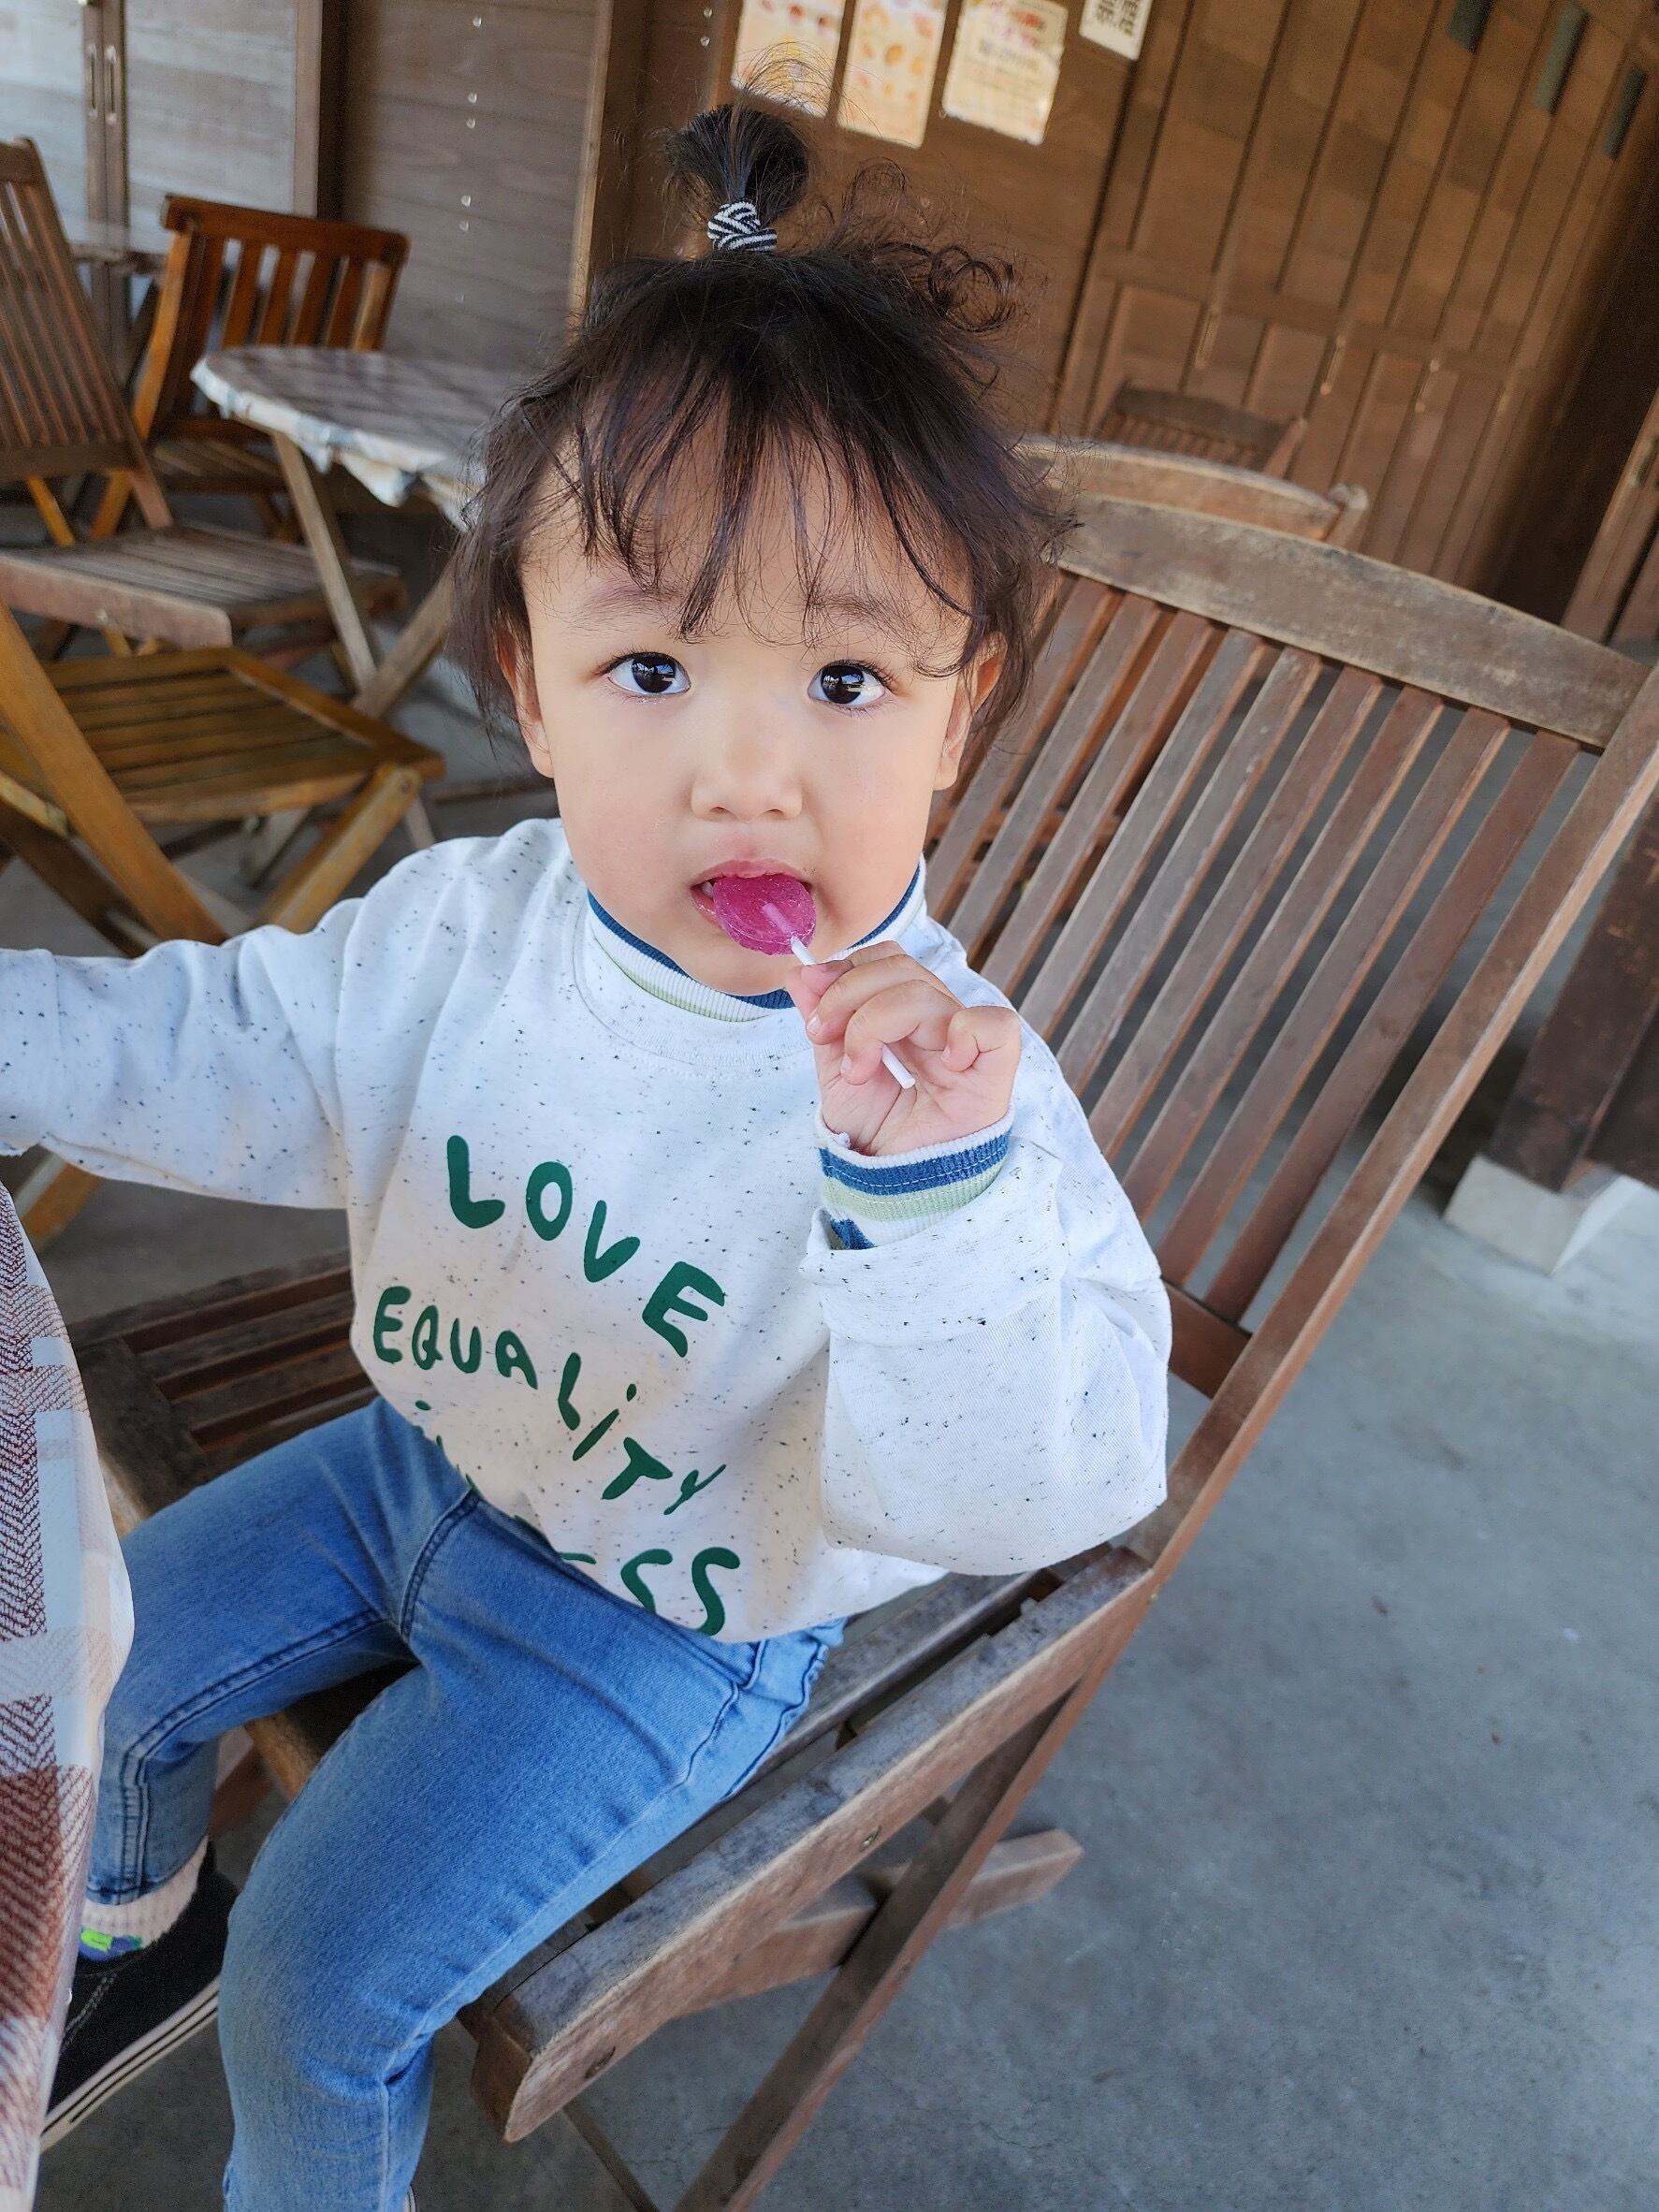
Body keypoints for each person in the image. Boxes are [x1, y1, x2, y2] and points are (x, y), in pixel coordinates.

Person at [14, 95, 1171, 2212]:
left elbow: (1050, 1487)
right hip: (424, 1457)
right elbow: (233, 1047)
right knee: (86, 1680)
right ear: (530, 693)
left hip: (673, 1612)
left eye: (845, 676)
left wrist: (927, 1213)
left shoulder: (945, 1105)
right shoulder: (471, 929)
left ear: (961, 711)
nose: (745, 770)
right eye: (650, 664)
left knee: (315, 1988)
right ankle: (126, 1931)